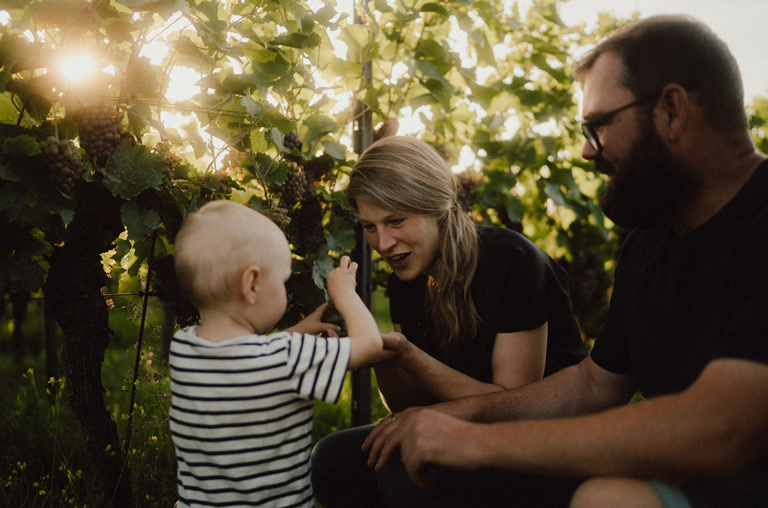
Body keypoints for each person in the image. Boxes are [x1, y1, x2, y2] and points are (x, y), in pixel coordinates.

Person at [363, 14, 768, 508]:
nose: (584, 151)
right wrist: (467, 414)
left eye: (597, 127)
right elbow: (595, 384)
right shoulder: (648, 245)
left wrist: (474, 442)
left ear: (671, 110)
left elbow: (722, 429)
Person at [310, 135, 587, 507]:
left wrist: (408, 355)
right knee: (332, 460)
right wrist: (382, 353)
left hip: (547, 443)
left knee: (404, 476)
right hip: (470, 427)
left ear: (437, 209)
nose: (383, 242)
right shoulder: (406, 278)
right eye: (370, 226)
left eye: (395, 221)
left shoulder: (511, 261)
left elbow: (513, 406)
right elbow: (409, 406)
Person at [168, 200, 383, 508]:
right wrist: (346, 294)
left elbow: (247, 358)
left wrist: (297, 330)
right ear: (252, 284)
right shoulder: (287, 359)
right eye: (283, 281)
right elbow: (371, 345)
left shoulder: (185, 349)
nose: (285, 289)